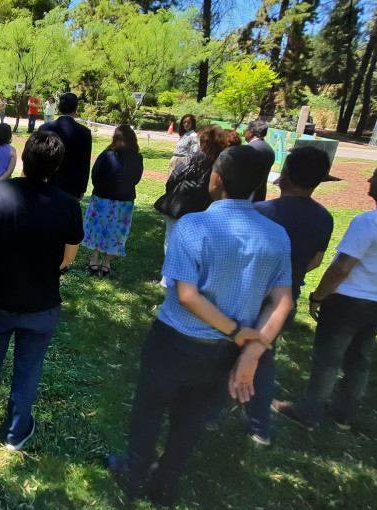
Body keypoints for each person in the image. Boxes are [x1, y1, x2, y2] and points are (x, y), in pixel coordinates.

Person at [106, 145, 294, 506]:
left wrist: (239, 334)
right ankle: (165, 484)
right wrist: (251, 349)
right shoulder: (276, 235)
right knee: (191, 419)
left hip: (176, 341)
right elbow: (282, 301)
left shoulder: (194, 225)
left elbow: (188, 295)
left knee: (149, 409)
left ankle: (134, 475)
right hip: (226, 352)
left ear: (216, 179)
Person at [274, 157, 377, 429]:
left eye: (376, 174)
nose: (370, 179)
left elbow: (341, 267)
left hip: (347, 301)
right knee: (359, 359)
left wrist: (318, 296)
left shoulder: (370, 221)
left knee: (327, 359)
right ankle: (344, 413)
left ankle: (308, 411)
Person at [0, 131, 84, 451]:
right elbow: (68, 259)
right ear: (57, 167)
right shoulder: (69, 206)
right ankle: (15, 433)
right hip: (42, 302)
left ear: (22, 158)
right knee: (28, 369)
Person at [233, 147, 334, 445]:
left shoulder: (259, 211)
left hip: (247, 297)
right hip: (285, 301)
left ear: (284, 173)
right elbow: (315, 261)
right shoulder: (324, 218)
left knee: (225, 352)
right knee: (263, 357)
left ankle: (211, 414)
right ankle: (260, 426)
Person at [153, 125, 229, 286]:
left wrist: (172, 190)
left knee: (172, 240)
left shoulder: (195, 157)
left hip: (183, 205)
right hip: (207, 207)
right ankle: (191, 278)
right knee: (197, 244)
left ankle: (168, 279)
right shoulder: (224, 161)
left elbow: (175, 176)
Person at [84, 125, 144, 277]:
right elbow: (136, 179)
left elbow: (95, 174)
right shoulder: (137, 158)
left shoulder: (106, 155)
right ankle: (106, 263)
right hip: (124, 202)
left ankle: (94, 259)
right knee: (116, 232)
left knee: (97, 228)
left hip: (102, 197)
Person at [39, 93, 92, 200]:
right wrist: (82, 188)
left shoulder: (44, 128)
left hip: (45, 183)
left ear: (59, 108)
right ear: (76, 109)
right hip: (71, 186)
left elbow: (36, 157)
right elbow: (84, 162)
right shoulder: (84, 132)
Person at [244, 120, 276, 202]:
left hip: (245, 196)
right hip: (260, 195)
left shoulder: (248, 149)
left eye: (246, 130)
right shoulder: (269, 150)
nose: (244, 132)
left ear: (251, 132)